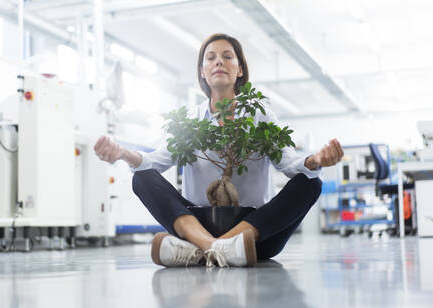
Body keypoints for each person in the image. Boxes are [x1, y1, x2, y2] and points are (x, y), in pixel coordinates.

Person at [94, 33, 344, 268]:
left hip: (256, 236)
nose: (218, 62)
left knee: (311, 183)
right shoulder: (190, 120)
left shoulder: (260, 115)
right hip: (202, 224)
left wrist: (315, 160)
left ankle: (199, 252)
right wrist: (123, 154)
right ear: (203, 71)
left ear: (240, 69)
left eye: (227, 56)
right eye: (210, 58)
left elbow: (289, 162)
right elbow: (154, 162)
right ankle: (213, 247)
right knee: (142, 178)